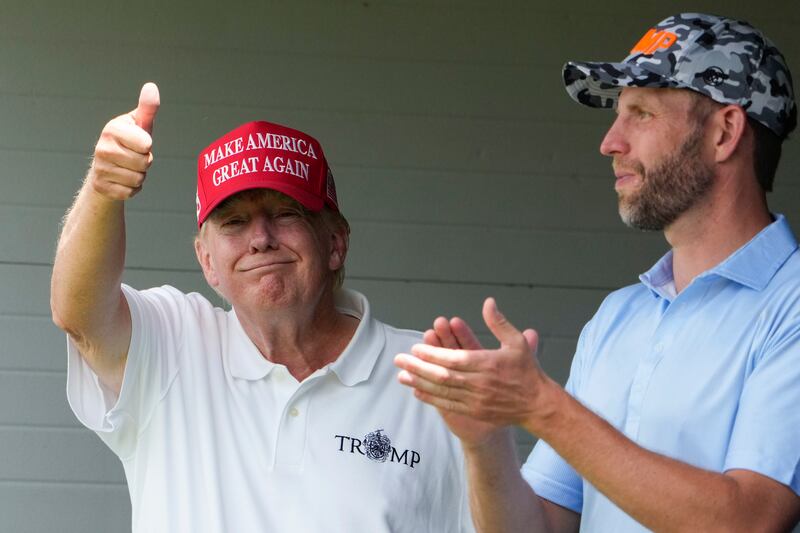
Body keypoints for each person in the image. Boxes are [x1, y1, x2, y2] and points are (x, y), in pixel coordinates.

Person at [394, 12, 800, 532]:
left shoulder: (790, 304)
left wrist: (543, 407)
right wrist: (486, 440)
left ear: (724, 133)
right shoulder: (619, 316)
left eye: (642, 114)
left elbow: (746, 522)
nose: (610, 142)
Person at [50, 84, 474, 533]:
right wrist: (102, 189)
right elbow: (79, 316)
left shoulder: (431, 381)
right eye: (234, 222)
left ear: (335, 242)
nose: (261, 238)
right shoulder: (174, 343)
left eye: (286, 213)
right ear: (207, 262)